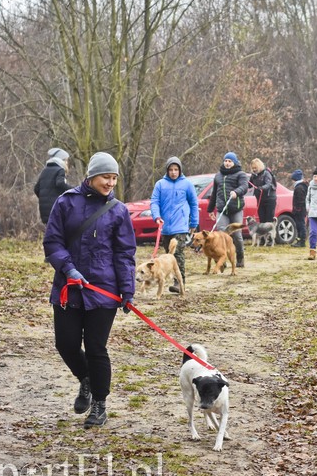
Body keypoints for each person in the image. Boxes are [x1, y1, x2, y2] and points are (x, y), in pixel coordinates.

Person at [43, 152, 137, 428]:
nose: (110, 183)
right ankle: (85, 379)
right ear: (91, 176)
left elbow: (124, 253)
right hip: (68, 287)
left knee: (96, 347)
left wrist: (127, 291)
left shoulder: (118, 211)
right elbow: (52, 242)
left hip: (103, 290)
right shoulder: (65, 202)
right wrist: (68, 268)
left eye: (114, 178)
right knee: (66, 343)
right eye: (106, 177)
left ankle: (99, 404)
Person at [149, 156, 199, 292]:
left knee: (177, 254)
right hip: (164, 227)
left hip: (180, 225)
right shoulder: (160, 184)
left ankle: (179, 282)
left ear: (180, 170)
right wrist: (157, 216)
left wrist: (194, 222)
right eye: (171, 169)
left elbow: (194, 203)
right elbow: (154, 202)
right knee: (168, 255)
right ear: (167, 170)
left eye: (176, 169)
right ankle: (164, 278)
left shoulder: (186, 184)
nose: (173, 172)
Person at [208, 152, 249, 267]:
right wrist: (210, 209)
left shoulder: (240, 174)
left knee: (236, 235)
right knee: (221, 234)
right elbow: (214, 193)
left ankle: (240, 258)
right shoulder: (218, 176)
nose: (227, 163)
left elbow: (244, 187)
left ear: (234, 162)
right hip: (222, 210)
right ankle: (222, 259)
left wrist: (237, 192)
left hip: (236, 209)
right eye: (225, 161)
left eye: (230, 161)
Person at [34, 147, 73, 225]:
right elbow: (60, 184)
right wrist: (74, 190)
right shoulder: (60, 170)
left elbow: (36, 189)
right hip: (57, 211)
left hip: (45, 212)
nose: (67, 163)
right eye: (66, 160)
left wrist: (45, 198)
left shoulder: (44, 171)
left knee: (50, 234)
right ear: (62, 160)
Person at [249, 158, 277, 224]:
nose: (254, 170)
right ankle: (264, 233)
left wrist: (261, 188)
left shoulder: (266, 173)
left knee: (268, 220)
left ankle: (269, 233)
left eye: (255, 168)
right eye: (253, 168)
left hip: (269, 199)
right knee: (261, 219)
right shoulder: (253, 176)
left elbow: (268, 184)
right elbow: (249, 185)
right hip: (260, 200)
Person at [290, 169, 308, 248]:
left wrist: (297, 209)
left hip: (300, 210)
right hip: (299, 210)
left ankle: (302, 241)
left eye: (293, 180)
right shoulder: (300, 186)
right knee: (299, 225)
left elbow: (301, 200)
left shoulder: (299, 188)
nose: (292, 182)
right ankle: (299, 240)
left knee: (301, 225)